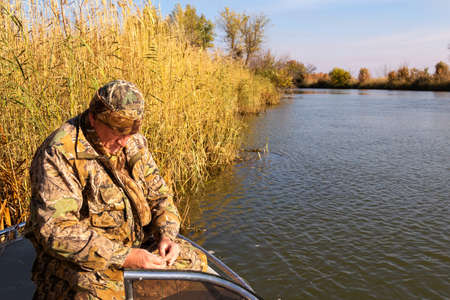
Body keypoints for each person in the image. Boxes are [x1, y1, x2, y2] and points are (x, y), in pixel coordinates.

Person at [26, 80, 206, 299]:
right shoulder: (60, 153)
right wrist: (125, 257)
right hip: (82, 262)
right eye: (118, 131)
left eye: (131, 131)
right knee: (104, 294)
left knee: (195, 262)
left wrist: (166, 236)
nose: (124, 141)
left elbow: (160, 196)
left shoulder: (133, 141)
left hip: (134, 246)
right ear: (94, 117)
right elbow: (56, 230)